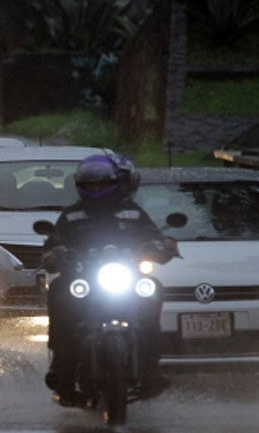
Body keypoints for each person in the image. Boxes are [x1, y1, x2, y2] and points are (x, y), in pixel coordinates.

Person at [42, 153, 176, 406]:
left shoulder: (132, 214)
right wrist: (54, 254)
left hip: (125, 277)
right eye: (91, 185)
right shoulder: (72, 216)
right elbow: (53, 243)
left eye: (102, 184)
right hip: (83, 279)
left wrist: (162, 246)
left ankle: (151, 369)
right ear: (80, 187)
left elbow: (153, 236)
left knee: (153, 289)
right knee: (59, 290)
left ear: (116, 183)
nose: (96, 189)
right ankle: (61, 368)